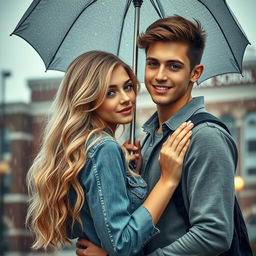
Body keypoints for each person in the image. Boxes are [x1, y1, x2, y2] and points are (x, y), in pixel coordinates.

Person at [77, 15, 237, 256]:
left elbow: (213, 234)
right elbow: (142, 226)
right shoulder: (151, 138)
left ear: (195, 73)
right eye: (153, 64)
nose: (160, 75)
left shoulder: (205, 137)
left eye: (174, 66)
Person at [26, 50, 194, 256]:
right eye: (110, 92)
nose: (126, 99)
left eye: (128, 87)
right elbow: (122, 244)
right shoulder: (104, 149)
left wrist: (127, 174)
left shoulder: (86, 147)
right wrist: (167, 181)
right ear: (87, 98)